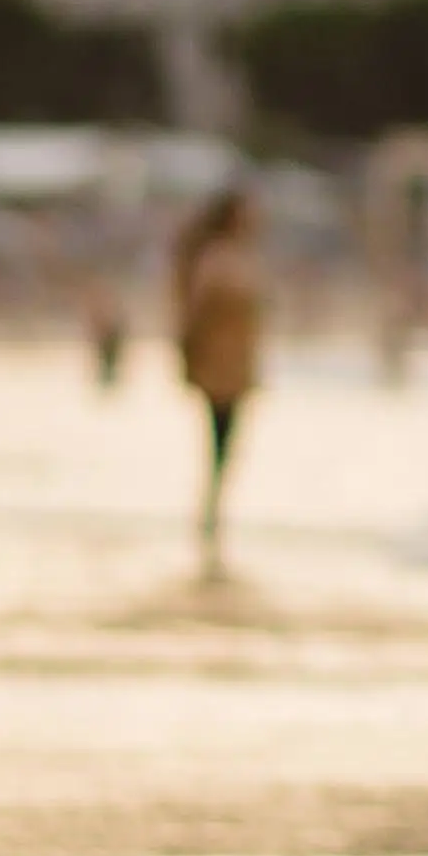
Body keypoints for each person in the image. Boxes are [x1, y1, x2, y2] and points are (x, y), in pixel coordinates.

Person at [169, 188, 267, 574]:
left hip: (235, 365)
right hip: (218, 366)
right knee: (220, 440)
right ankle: (211, 513)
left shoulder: (236, 258)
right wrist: (188, 357)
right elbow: (193, 314)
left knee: (225, 443)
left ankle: (214, 511)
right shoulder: (217, 260)